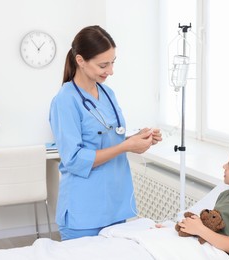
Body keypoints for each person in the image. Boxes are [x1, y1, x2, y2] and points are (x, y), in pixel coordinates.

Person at [49, 25, 162, 241]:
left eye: (112, 63)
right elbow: (73, 159)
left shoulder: (107, 93)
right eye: (103, 64)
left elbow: (110, 138)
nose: (110, 71)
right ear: (80, 61)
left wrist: (137, 140)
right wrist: (125, 146)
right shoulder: (65, 101)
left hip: (115, 203)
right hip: (85, 208)